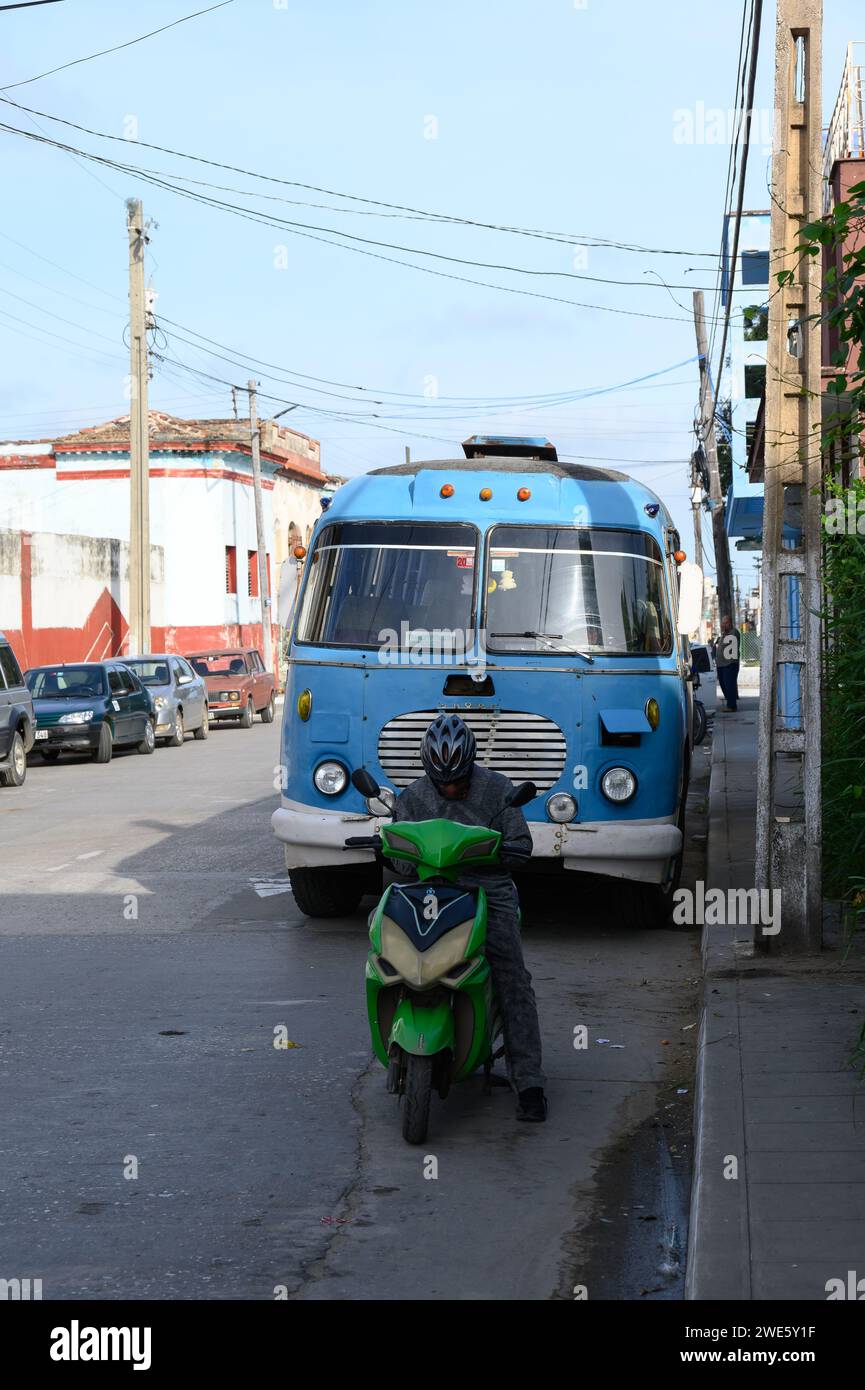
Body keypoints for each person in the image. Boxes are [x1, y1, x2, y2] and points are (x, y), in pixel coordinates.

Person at [390, 714, 548, 1122]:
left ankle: (529, 1080)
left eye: (458, 780)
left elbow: (520, 842)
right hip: (430, 887)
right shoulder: (411, 798)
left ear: (471, 766)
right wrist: (390, 849)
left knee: (511, 975)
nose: (451, 788)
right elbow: (402, 864)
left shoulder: (499, 791)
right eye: (442, 782)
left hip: (485, 889)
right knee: (388, 953)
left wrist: (512, 850)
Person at [714, 616, 741, 712]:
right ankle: (731, 700)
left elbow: (729, 648)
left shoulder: (733, 633)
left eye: (726, 623)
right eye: (722, 623)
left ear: (730, 623)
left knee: (729, 684)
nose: (723, 625)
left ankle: (732, 705)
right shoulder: (724, 634)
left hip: (729, 664)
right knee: (723, 684)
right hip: (722, 664)